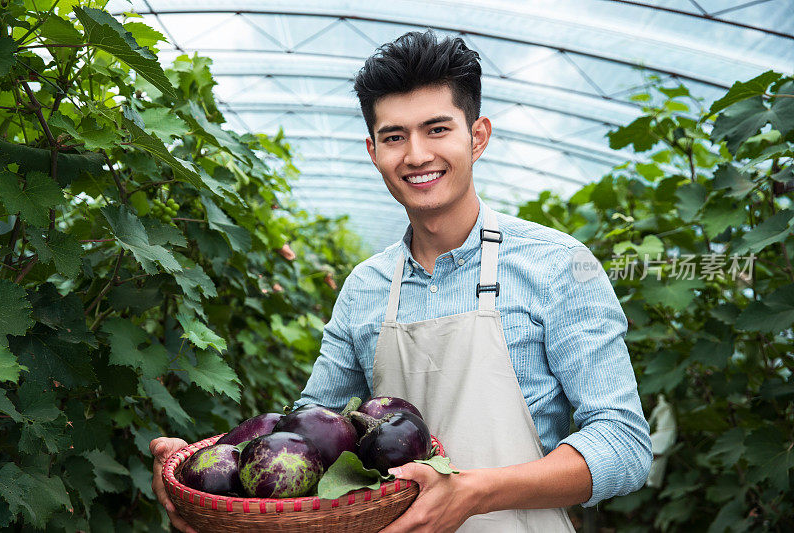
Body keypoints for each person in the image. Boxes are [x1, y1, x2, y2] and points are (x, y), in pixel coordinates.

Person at [151, 30, 651, 532]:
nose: (415, 155)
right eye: (394, 137)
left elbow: (624, 443)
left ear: (477, 136)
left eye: (437, 129)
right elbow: (309, 429)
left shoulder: (556, 265)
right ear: (373, 151)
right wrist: (211, 466)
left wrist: (472, 494)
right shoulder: (366, 287)